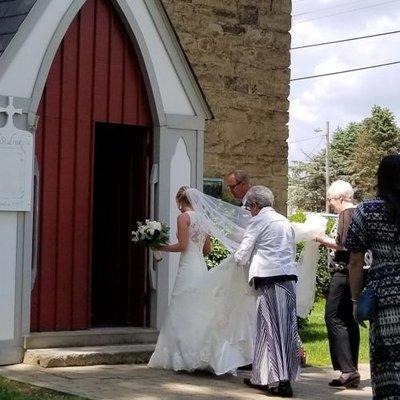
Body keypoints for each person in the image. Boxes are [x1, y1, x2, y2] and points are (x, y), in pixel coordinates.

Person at [148, 186, 256, 374]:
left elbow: (182, 246)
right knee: (200, 309)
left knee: (182, 307)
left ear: (180, 201)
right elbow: (207, 250)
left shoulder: (184, 218)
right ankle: (202, 354)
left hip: (187, 267)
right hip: (200, 265)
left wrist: (161, 247)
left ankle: (182, 356)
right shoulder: (204, 219)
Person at [234, 185, 300, 398]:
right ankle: (262, 377)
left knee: (272, 329)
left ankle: (281, 381)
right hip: (288, 279)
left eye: (249, 207)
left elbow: (243, 253)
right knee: (281, 328)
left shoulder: (258, 220)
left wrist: (234, 258)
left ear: (255, 205)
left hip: (270, 279)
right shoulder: (284, 221)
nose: (249, 211)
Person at [345, 154, 400, 400]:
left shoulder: (366, 210)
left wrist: (356, 299)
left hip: (385, 294)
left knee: (387, 360)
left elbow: (355, 260)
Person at [314, 180, 360, 388]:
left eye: (331, 199)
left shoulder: (346, 214)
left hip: (342, 272)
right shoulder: (359, 212)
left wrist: (321, 238)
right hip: (354, 273)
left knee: (333, 317)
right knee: (349, 319)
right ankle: (352, 368)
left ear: (341, 198)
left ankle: (347, 369)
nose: (331, 203)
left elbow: (343, 244)